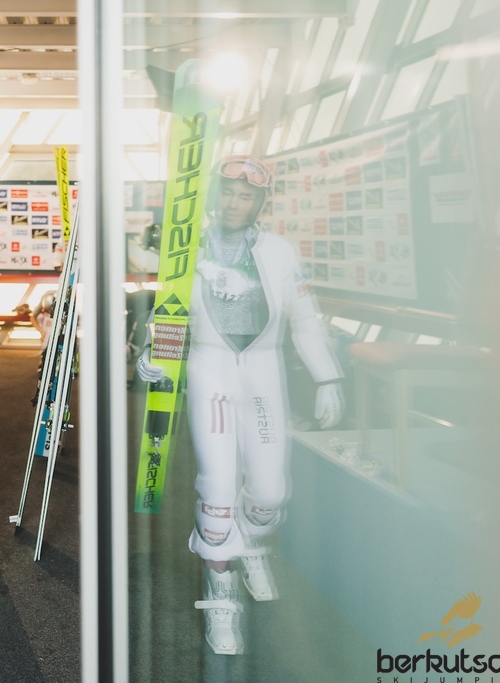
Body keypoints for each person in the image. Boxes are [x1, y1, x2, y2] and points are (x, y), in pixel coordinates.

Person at [136, 153, 345, 656]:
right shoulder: (187, 249)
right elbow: (170, 311)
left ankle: (249, 542)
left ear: (260, 202)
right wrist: (153, 353)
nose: (234, 203)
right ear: (215, 196)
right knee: (218, 486)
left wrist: (328, 377)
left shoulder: (281, 252)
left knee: (270, 493)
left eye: (246, 195)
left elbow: (306, 320)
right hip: (211, 370)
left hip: (264, 372)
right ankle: (220, 589)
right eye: (227, 193)